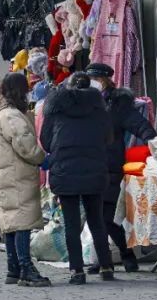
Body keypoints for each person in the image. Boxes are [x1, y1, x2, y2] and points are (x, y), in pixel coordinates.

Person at [40, 71, 114, 283]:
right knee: (97, 220)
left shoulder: (55, 110)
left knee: (71, 224)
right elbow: (108, 138)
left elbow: (45, 141)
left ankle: (77, 271)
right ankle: (107, 267)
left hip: (65, 172)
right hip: (94, 170)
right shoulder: (99, 110)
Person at [85, 62, 157, 272]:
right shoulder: (83, 102)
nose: (94, 84)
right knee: (93, 216)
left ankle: (124, 254)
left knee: (106, 217)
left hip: (110, 166)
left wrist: (154, 145)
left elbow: (140, 126)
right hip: (88, 165)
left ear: (106, 80)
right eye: (91, 79)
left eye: (97, 80)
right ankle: (104, 259)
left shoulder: (118, 103)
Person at [0, 73, 50, 288]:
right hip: (17, 176)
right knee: (22, 223)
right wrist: (43, 158)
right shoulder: (11, 115)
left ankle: (12, 268)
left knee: (11, 223)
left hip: (9, 176)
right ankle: (26, 269)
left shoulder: (1, 114)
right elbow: (26, 146)